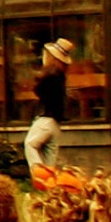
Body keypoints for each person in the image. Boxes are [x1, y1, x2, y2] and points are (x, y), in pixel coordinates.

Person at [25, 39, 74, 169]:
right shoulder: (61, 76)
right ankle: (49, 186)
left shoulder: (50, 74)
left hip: (45, 119)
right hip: (55, 124)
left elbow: (38, 89)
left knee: (30, 144)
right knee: (49, 162)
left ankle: (40, 177)